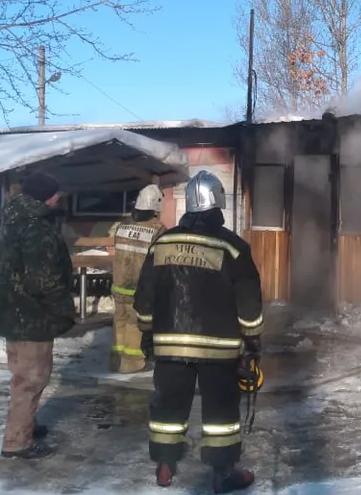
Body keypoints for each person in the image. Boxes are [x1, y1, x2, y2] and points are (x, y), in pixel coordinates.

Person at [134, 170, 264, 493]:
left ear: (189, 205)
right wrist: (252, 339)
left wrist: (147, 332)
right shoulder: (233, 247)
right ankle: (222, 474)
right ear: (218, 202)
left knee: (168, 408)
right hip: (218, 350)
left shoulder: (162, 243)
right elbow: (248, 301)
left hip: (169, 346)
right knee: (220, 413)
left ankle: (165, 466)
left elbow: (145, 296)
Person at [0, 171, 76, 460]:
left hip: (13, 311)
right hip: (31, 315)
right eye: (55, 193)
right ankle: (17, 441)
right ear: (44, 196)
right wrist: (63, 306)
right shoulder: (35, 226)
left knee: (23, 375)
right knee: (31, 378)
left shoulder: (14, 218)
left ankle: (26, 424)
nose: (58, 197)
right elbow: (43, 279)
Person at [110, 184, 166, 373]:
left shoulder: (122, 225)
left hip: (118, 286)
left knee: (119, 321)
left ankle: (116, 360)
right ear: (156, 206)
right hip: (139, 288)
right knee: (135, 325)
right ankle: (132, 363)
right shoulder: (158, 230)